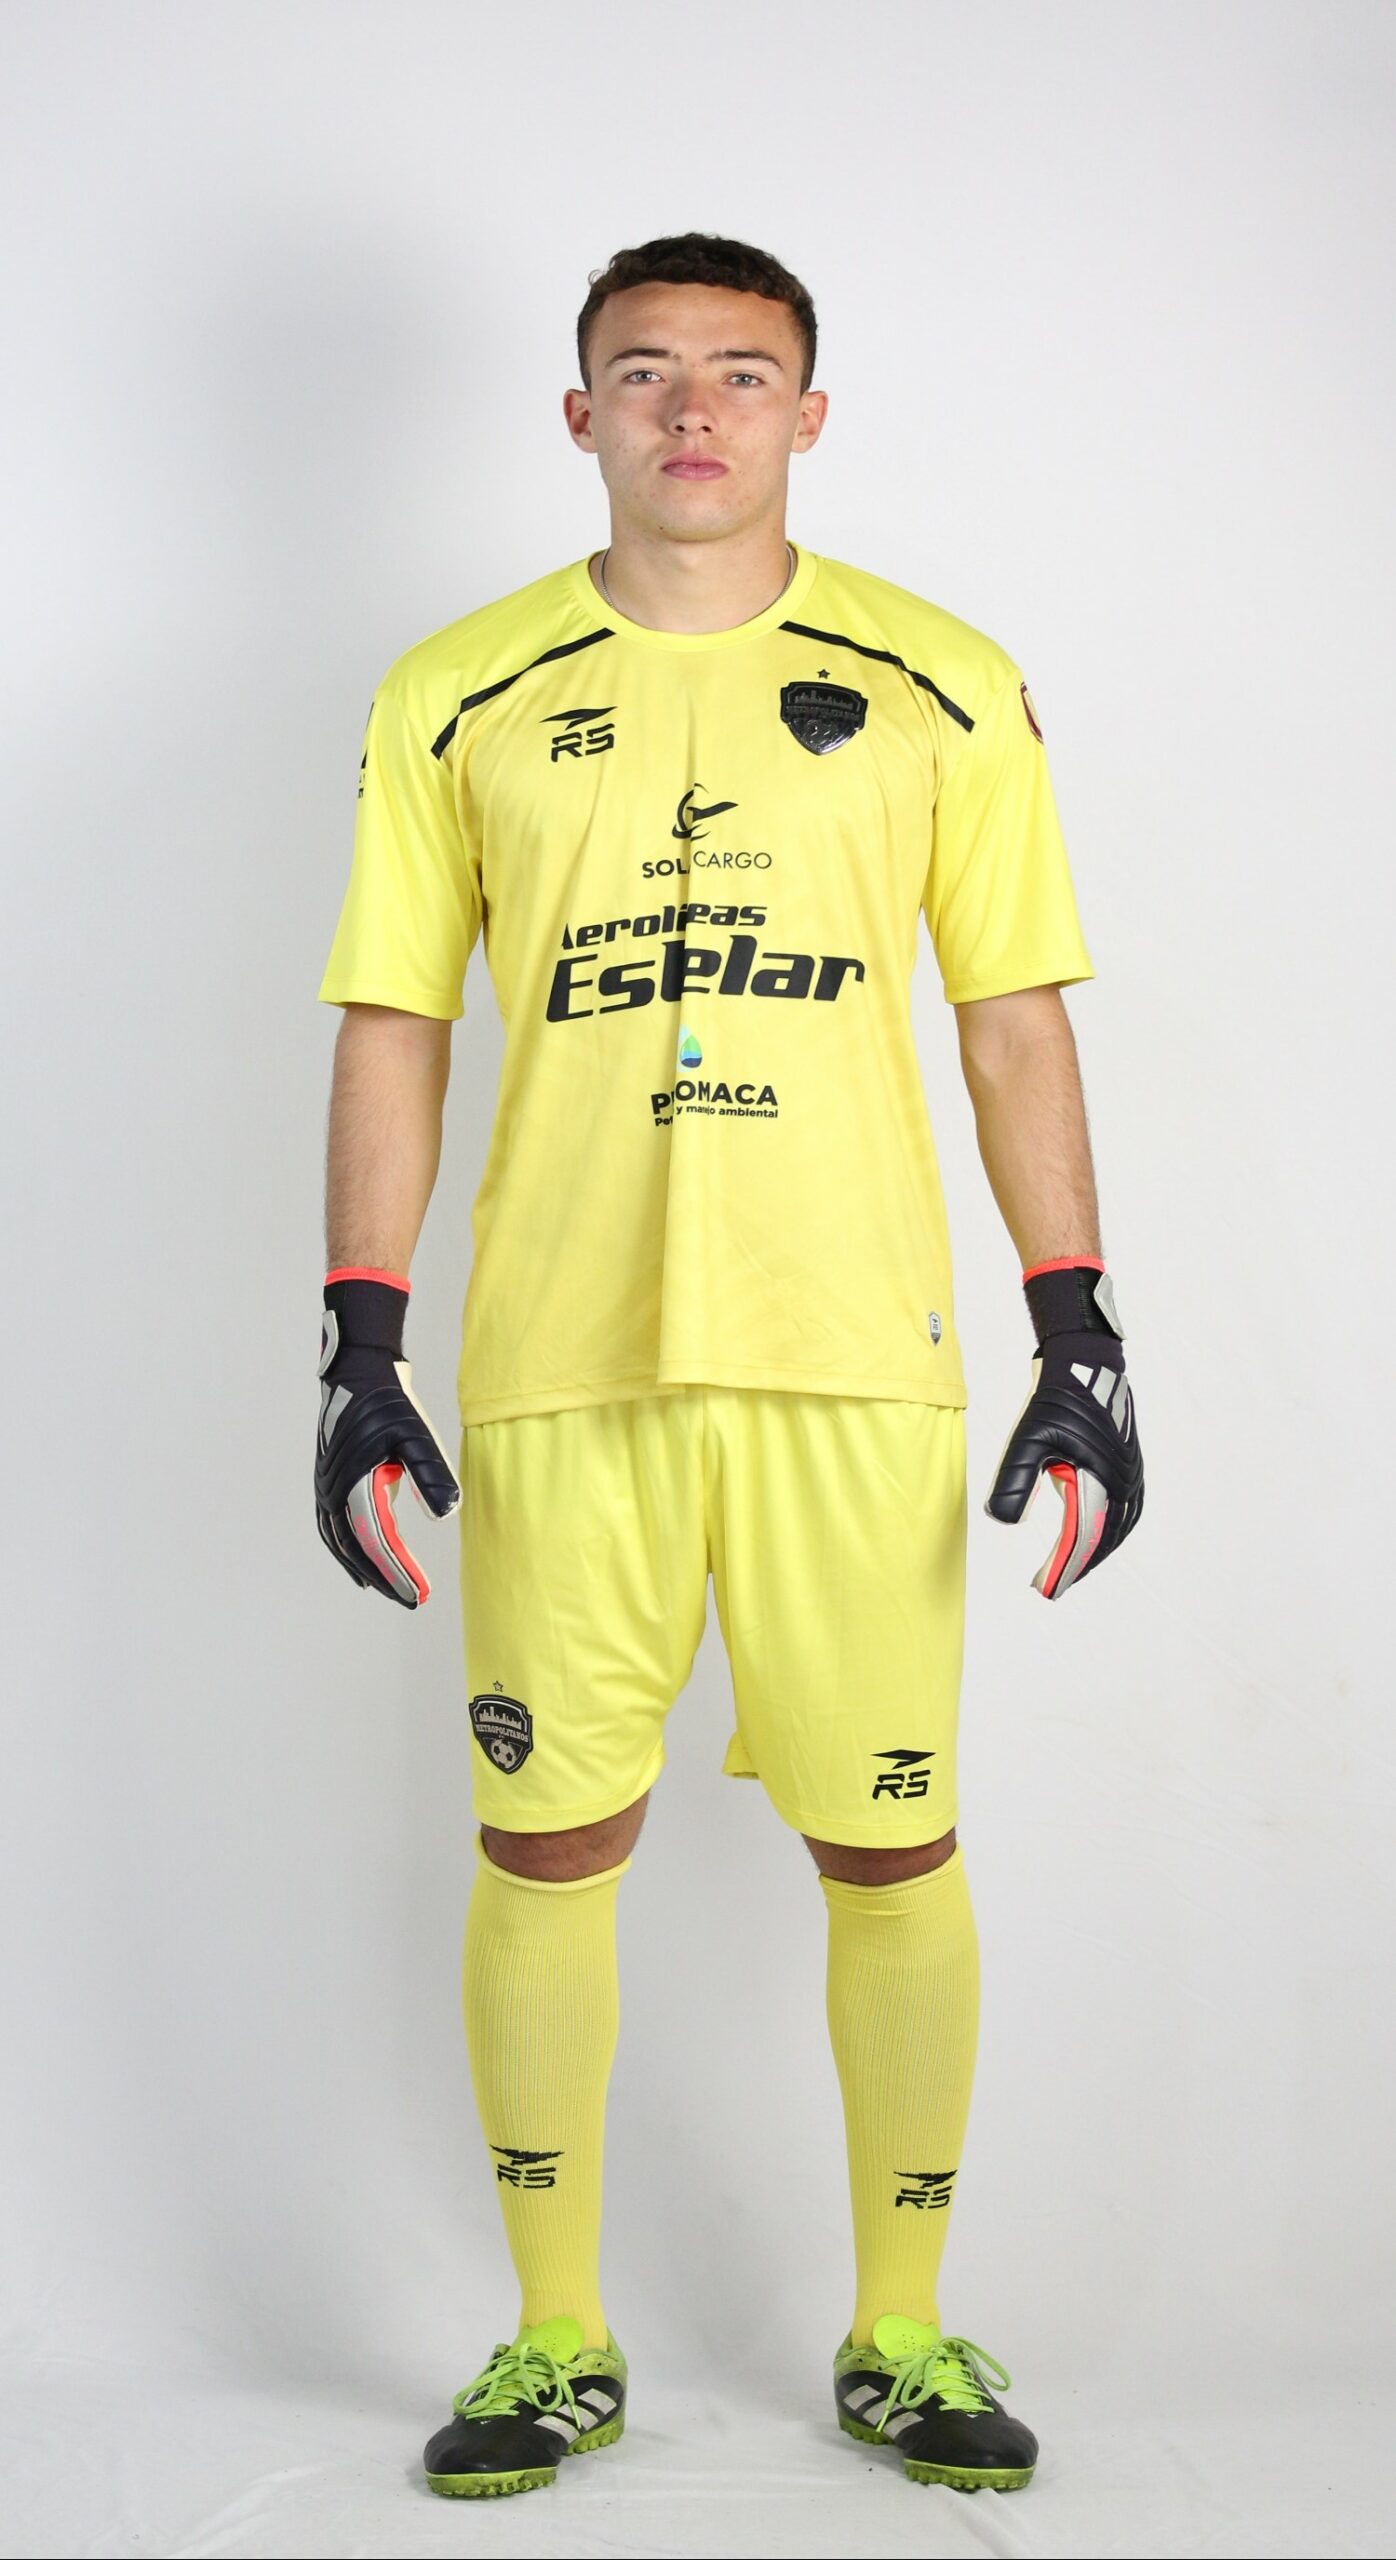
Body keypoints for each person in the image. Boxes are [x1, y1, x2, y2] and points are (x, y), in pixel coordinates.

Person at [313, 230, 1144, 2504]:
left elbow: (1008, 1017)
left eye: (742, 373)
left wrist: (1076, 1319)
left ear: (808, 412)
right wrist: (359, 1339)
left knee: (890, 1843)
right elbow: (394, 1021)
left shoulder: (941, 678)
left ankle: (900, 2328)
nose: (694, 409)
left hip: (850, 1360)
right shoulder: (455, 691)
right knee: (545, 1832)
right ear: (577, 411)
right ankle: (550, 2334)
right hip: (558, 1362)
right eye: (647, 370)